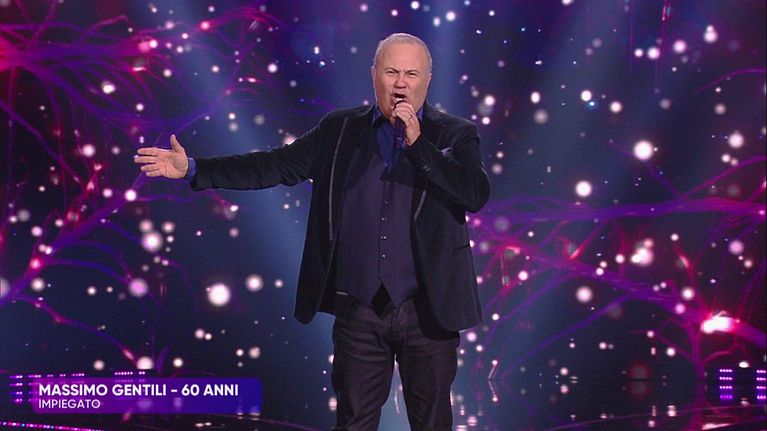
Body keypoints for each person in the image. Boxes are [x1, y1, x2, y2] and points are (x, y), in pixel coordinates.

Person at [135, 33, 490, 431]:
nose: (401, 84)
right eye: (391, 72)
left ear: (428, 79)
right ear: (374, 74)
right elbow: (274, 165)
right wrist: (194, 168)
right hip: (359, 310)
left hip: (428, 312)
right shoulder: (339, 130)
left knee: (433, 424)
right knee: (352, 423)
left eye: (411, 74)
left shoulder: (456, 134)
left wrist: (418, 145)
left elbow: (473, 193)